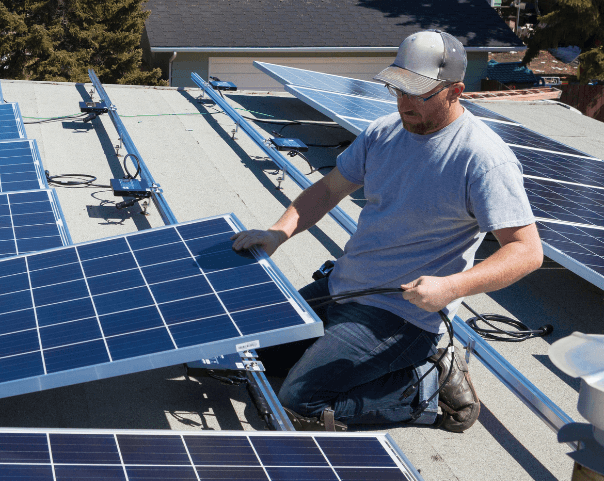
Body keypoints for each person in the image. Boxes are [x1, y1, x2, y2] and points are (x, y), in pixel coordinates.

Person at [232, 30, 543, 433]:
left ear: (455, 91)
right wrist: (278, 232)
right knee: (250, 354)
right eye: (398, 88)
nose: (404, 103)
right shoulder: (383, 132)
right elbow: (328, 190)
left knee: (297, 403)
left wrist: (452, 287)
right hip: (344, 285)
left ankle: (426, 384)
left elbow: (526, 250)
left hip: (403, 313)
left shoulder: (482, 158)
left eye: (418, 93)